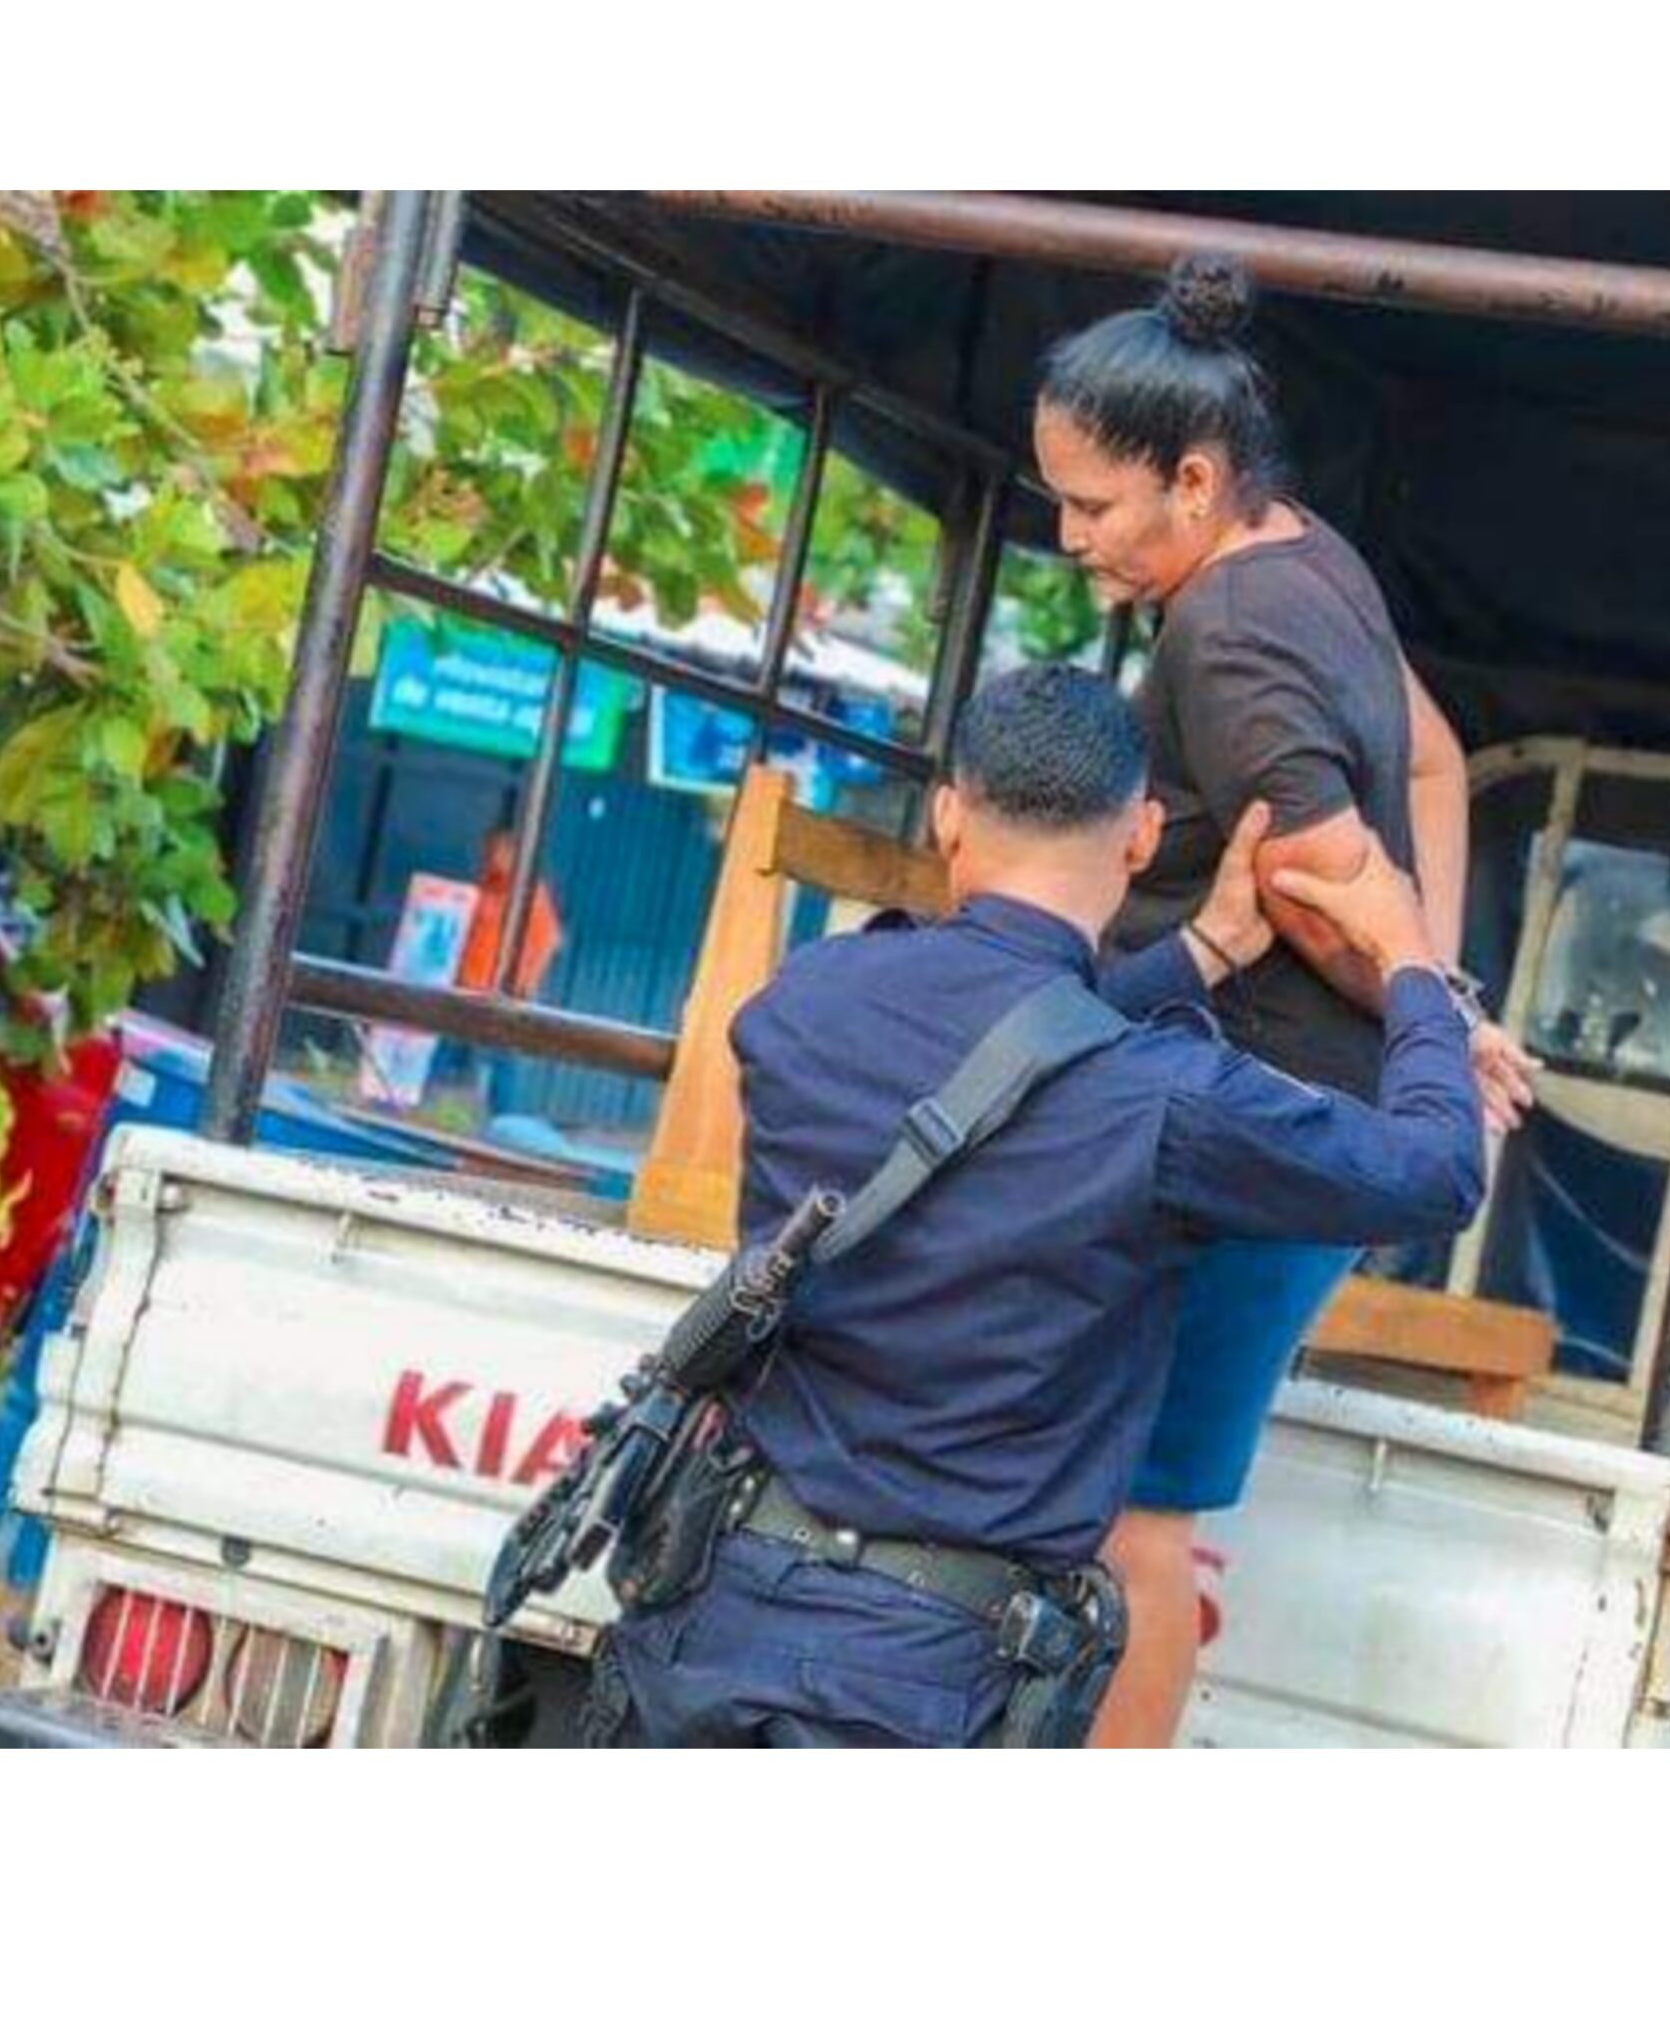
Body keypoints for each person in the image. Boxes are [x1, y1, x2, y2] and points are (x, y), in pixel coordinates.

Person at [592, 663, 1484, 1748]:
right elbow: (1436, 1170)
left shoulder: (800, 1005)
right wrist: (1409, 960)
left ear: (947, 815)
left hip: (707, 1620)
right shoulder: (1167, 1103)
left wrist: (1200, 953)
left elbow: (1006, 1042)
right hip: (925, 1678)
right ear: (1141, 837)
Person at [1032, 251, 1538, 1746]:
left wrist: (1430, 1009)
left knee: (1133, 1517)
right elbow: (1434, 763)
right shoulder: (1311, 553)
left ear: (1192, 480)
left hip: (1251, 1121)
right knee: (1129, 1502)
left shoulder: (1227, 633)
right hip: (1305, 1115)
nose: (1069, 536)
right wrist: (1441, 995)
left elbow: (1319, 884)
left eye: (1091, 505)